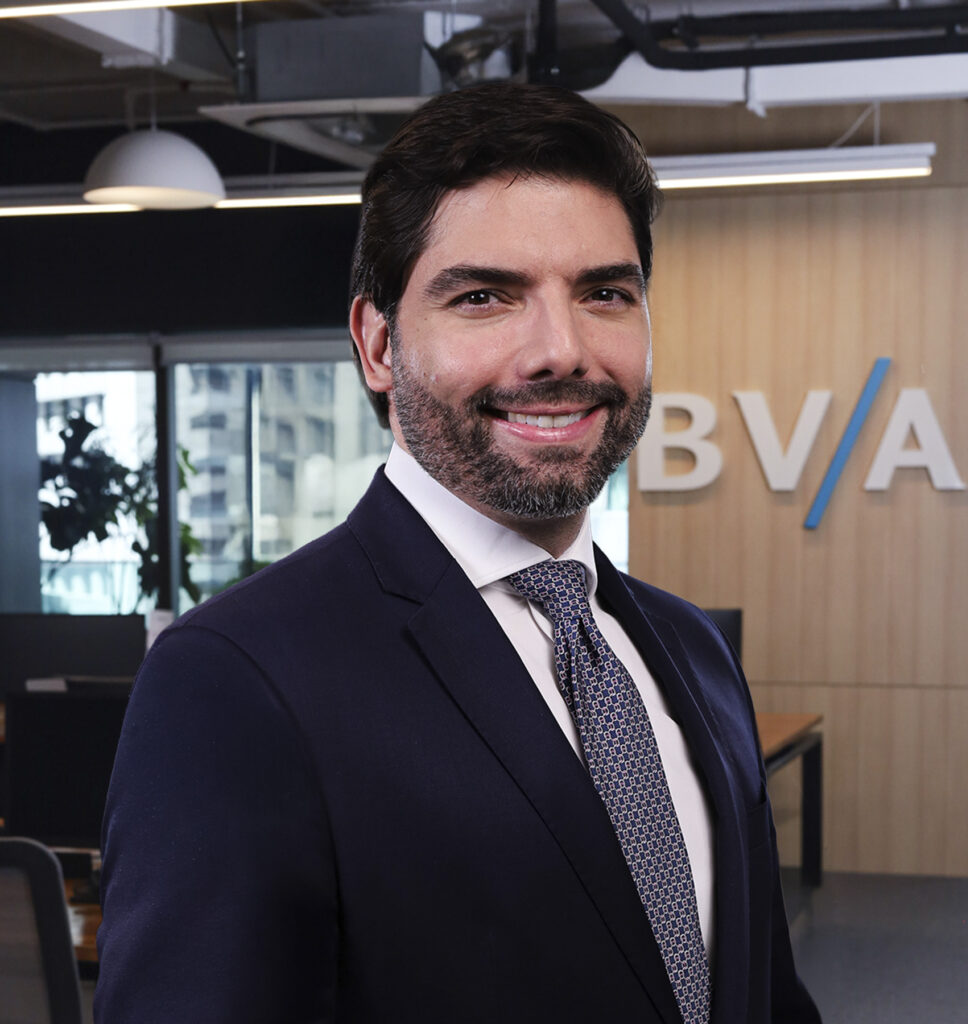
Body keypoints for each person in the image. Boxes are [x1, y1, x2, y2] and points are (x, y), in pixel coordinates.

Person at [95, 83, 820, 1024]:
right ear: (377, 345)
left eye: (605, 293)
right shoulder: (235, 680)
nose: (560, 351)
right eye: (485, 297)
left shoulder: (694, 652)